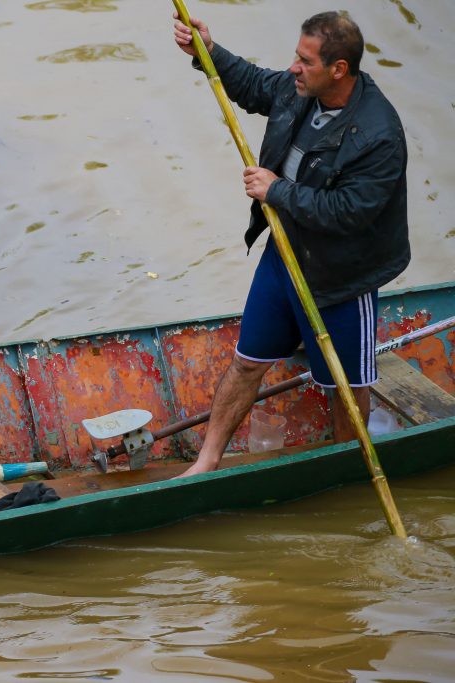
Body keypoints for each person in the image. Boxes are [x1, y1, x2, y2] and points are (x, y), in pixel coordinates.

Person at [171, 11, 410, 476]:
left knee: (345, 386)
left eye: (305, 61)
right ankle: (206, 461)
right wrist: (208, 52)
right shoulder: (301, 88)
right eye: (296, 58)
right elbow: (257, 85)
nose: (294, 68)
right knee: (245, 364)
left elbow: (350, 214)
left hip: (343, 276)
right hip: (285, 253)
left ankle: (349, 470)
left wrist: (276, 191)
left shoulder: (379, 135)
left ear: (338, 69)